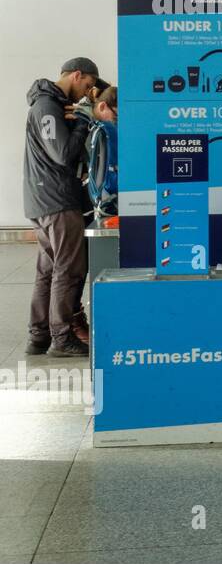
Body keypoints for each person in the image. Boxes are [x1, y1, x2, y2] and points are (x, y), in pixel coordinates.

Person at [25, 57, 101, 357]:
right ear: (76, 74)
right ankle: (61, 338)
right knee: (69, 269)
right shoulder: (46, 107)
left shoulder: (48, 105)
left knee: (48, 270)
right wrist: (83, 122)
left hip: (42, 199)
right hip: (56, 200)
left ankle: (38, 337)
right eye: (87, 85)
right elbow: (63, 155)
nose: (86, 93)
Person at [85, 86, 118, 219]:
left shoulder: (90, 124)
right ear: (103, 106)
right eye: (116, 116)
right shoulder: (103, 128)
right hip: (106, 197)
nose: (116, 121)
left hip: (98, 198)